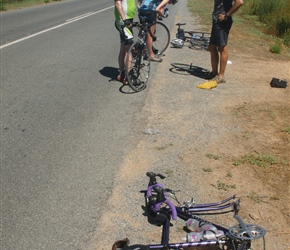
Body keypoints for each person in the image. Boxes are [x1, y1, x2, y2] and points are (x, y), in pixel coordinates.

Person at [208, 0, 244, 83]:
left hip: (222, 22)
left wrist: (227, 15)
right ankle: (214, 72)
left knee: (222, 47)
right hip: (216, 21)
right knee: (211, 47)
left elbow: (240, 2)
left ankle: (221, 76)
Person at [114, 0, 137, 84]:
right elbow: (118, 3)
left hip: (127, 20)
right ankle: (128, 77)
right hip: (123, 21)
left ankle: (122, 73)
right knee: (130, 50)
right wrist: (124, 19)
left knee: (123, 48)